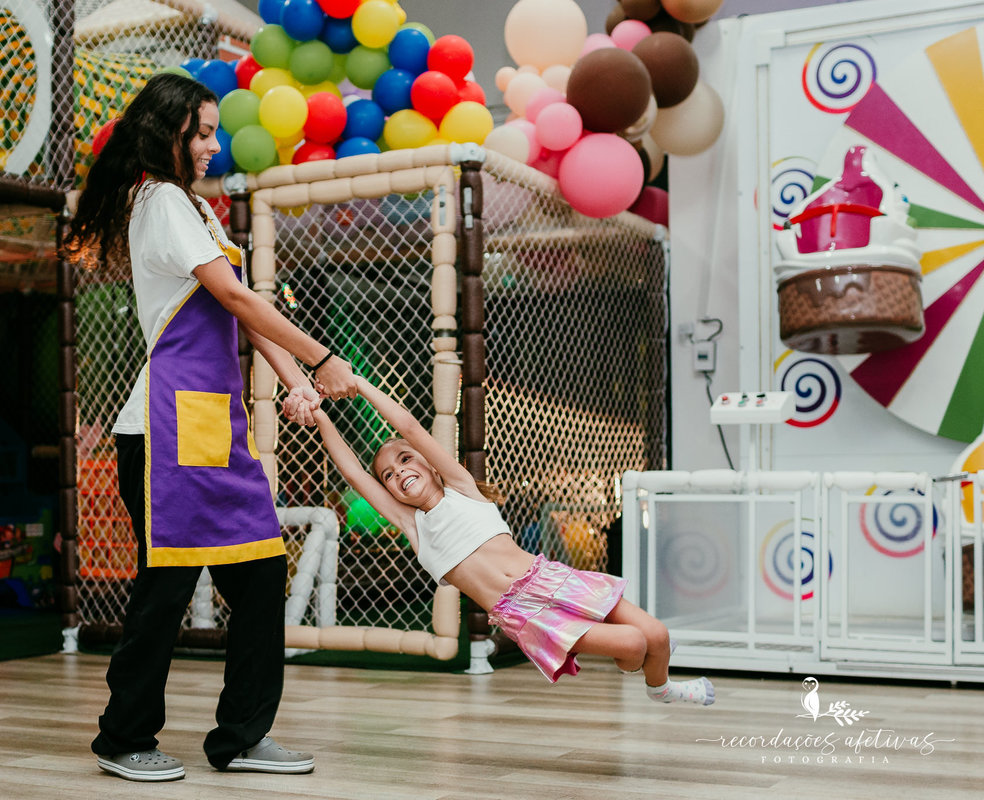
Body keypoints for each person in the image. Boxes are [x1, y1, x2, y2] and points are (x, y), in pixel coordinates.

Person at [65, 72, 357, 782]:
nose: (212, 144)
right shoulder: (160, 201)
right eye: (200, 132)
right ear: (167, 134)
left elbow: (239, 311)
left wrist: (296, 383)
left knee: (260, 580)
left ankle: (241, 737)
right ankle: (123, 737)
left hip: (211, 426)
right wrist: (321, 357)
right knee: (165, 588)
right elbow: (232, 295)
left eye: (212, 131)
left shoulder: (197, 210)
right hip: (165, 428)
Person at [300, 376, 714, 704]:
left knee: (656, 636)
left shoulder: (462, 487)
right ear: (388, 492)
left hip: (551, 576)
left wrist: (356, 382)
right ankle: (638, 664)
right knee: (635, 643)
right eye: (388, 475)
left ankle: (661, 689)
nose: (398, 473)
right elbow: (353, 472)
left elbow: (406, 424)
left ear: (428, 461)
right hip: (524, 609)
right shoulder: (415, 528)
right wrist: (319, 415)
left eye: (404, 459)